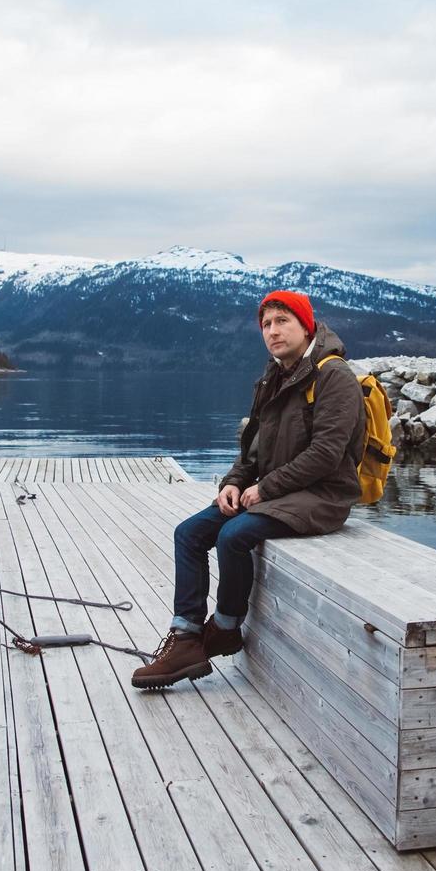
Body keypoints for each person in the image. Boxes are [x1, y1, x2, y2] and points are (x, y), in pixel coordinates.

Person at [131, 290, 366, 690]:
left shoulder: (333, 376)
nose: (273, 331)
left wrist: (266, 487)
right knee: (189, 533)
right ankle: (186, 636)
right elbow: (252, 448)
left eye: (282, 321)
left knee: (233, 535)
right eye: (266, 324)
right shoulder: (272, 376)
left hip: (322, 496)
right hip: (278, 493)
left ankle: (224, 627)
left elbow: (327, 454)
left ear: (306, 326)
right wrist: (235, 483)